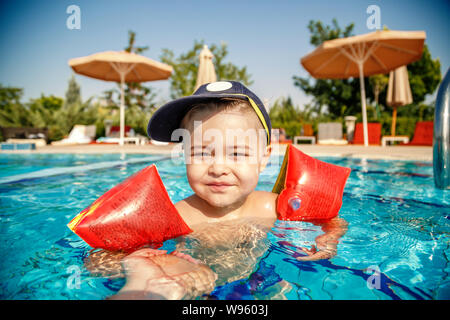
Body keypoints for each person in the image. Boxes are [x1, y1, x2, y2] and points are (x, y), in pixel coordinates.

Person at [109, 81, 348, 299]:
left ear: (263, 159)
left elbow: (332, 220)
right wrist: (137, 264)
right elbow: (103, 259)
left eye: (237, 153)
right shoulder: (177, 216)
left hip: (262, 281)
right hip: (197, 287)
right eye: (201, 153)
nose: (218, 168)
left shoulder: (271, 206)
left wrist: (329, 238)